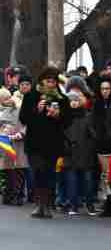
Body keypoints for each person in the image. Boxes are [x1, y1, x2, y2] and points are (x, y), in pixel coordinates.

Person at [19, 66, 68, 219]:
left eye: (54, 82)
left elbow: (67, 122)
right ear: (42, 81)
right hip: (34, 142)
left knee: (49, 172)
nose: (51, 84)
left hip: (53, 142)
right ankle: (39, 203)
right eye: (48, 81)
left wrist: (58, 115)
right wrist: (36, 110)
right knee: (38, 170)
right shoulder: (31, 96)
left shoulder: (61, 98)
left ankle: (46, 205)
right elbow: (23, 118)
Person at [62, 91, 98, 216]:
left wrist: (90, 146)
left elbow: (93, 135)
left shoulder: (87, 116)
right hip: (69, 153)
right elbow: (60, 135)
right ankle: (73, 205)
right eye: (71, 100)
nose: (74, 103)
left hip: (85, 153)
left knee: (88, 181)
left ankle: (89, 205)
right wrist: (65, 147)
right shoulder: (64, 117)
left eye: (76, 100)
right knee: (71, 182)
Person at [91, 77, 111, 214]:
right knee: (105, 174)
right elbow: (94, 123)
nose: (105, 91)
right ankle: (106, 201)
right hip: (102, 144)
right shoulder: (97, 104)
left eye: (107, 88)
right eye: (103, 89)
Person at [0, 87, 28, 206]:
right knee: (8, 171)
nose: (5, 102)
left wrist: (20, 134)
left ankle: (18, 196)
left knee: (18, 170)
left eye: (6, 99)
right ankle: (9, 195)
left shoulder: (20, 107)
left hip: (18, 142)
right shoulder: (3, 110)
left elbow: (26, 123)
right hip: (5, 142)